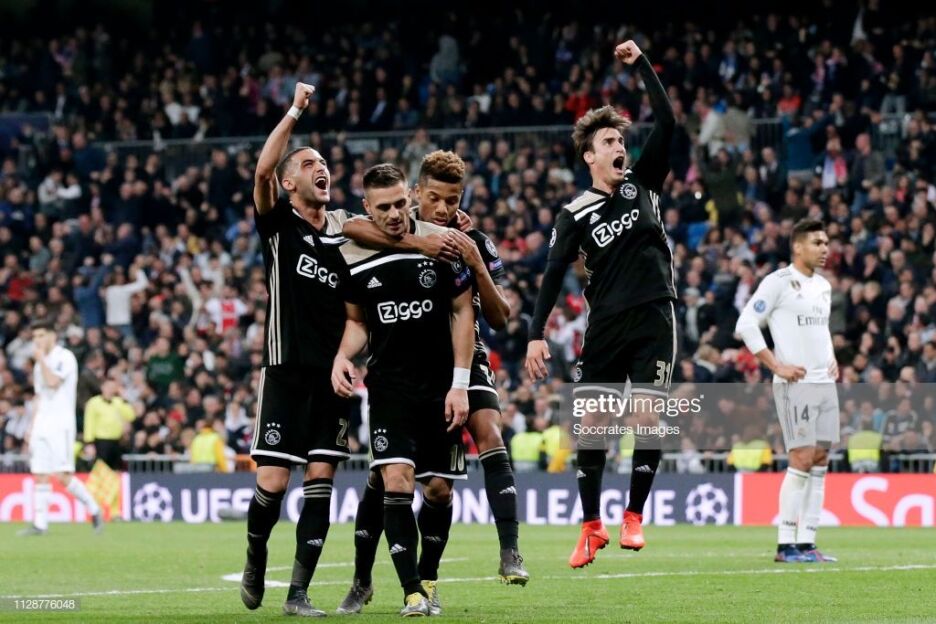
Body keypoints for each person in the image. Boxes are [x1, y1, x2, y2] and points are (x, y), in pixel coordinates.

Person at [337, 151, 528, 615]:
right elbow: (352, 227)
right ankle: (366, 579)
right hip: (395, 376)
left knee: (453, 473)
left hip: (455, 366)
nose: (443, 208)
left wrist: (472, 257)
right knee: (386, 479)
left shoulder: (464, 242)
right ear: (417, 193)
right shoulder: (384, 237)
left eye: (452, 200)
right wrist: (419, 243)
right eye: (434, 198)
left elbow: (496, 316)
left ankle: (494, 556)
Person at [525, 40, 677, 569]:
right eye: (608, 140)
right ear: (589, 156)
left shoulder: (644, 183)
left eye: (621, 139)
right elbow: (551, 274)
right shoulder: (575, 213)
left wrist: (643, 66)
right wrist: (536, 333)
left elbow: (668, 121)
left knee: (649, 415)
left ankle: (634, 515)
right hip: (606, 325)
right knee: (592, 427)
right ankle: (591, 526)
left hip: (655, 315)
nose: (619, 146)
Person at [331, 163, 475, 617]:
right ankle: (411, 591)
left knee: (439, 490)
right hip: (389, 389)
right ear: (366, 208)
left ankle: (428, 578)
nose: (394, 214)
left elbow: (463, 311)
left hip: (439, 388)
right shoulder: (353, 253)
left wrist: (460, 385)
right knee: (395, 479)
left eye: (399, 204)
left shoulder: (442, 243)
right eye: (383, 208)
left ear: (410, 197)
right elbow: (357, 321)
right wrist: (342, 356)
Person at [240, 82, 353, 617]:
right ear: (290, 183)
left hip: (333, 376)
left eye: (324, 163)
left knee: (322, 478)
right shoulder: (278, 223)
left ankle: (298, 593)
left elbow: (396, 231)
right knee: (272, 480)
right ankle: (255, 555)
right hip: (285, 369)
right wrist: (294, 111)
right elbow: (261, 172)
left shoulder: (346, 232)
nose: (320, 168)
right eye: (309, 164)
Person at [736, 218, 839, 563]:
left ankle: (807, 542)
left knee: (821, 460)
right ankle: (785, 544)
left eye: (826, 243)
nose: (825, 249)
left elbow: (821, 330)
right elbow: (746, 324)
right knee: (802, 458)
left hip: (824, 384)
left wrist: (832, 358)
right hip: (796, 385)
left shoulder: (823, 286)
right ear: (798, 246)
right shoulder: (778, 282)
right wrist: (776, 365)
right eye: (817, 243)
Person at [19, 320, 103, 536]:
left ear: (52, 336)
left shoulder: (65, 358)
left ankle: (94, 509)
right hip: (42, 424)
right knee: (40, 473)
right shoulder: (39, 364)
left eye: (40, 335)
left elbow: (53, 382)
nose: (37, 340)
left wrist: (41, 360)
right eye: (34, 336)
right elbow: (39, 396)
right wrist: (31, 427)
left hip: (61, 424)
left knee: (63, 475)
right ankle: (40, 524)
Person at [83, 379, 135, 470]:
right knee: (100, 469)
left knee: (115, 469)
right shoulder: (93, 402)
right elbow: (89, 423)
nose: (110, 389)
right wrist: (89, 443)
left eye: (113, 387)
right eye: (108, 387)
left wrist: (125, 399)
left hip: (116, 441)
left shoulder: (118, 402)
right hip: (100, 442)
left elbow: (131, 416)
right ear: (102, 387)